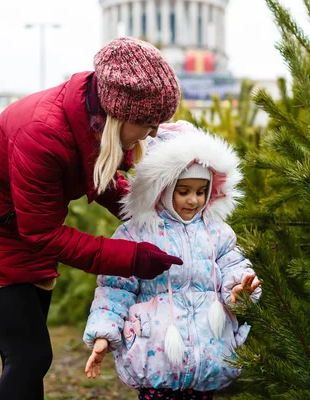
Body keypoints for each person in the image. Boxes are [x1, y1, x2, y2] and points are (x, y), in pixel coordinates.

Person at [0, 37, 183, 400]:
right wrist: (132, 258)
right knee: (28, 357)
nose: (153, 133)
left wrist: (155, 218)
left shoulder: (89, 118)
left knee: (30, 359)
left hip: (21, 234)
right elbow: (42, 232)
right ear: (120, 114)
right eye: (148, 122)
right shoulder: (43, 132)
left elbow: (98, 180)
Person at [83, 121, 262, 400]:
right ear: (164, 189)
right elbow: (115, 289)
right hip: (155, 356)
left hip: (208, 354)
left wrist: (239, 288)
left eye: (201, 191)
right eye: (184, 191)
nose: (193, 200)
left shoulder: (217, 233)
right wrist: (104, 333)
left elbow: (233, 267)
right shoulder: (135, 234)